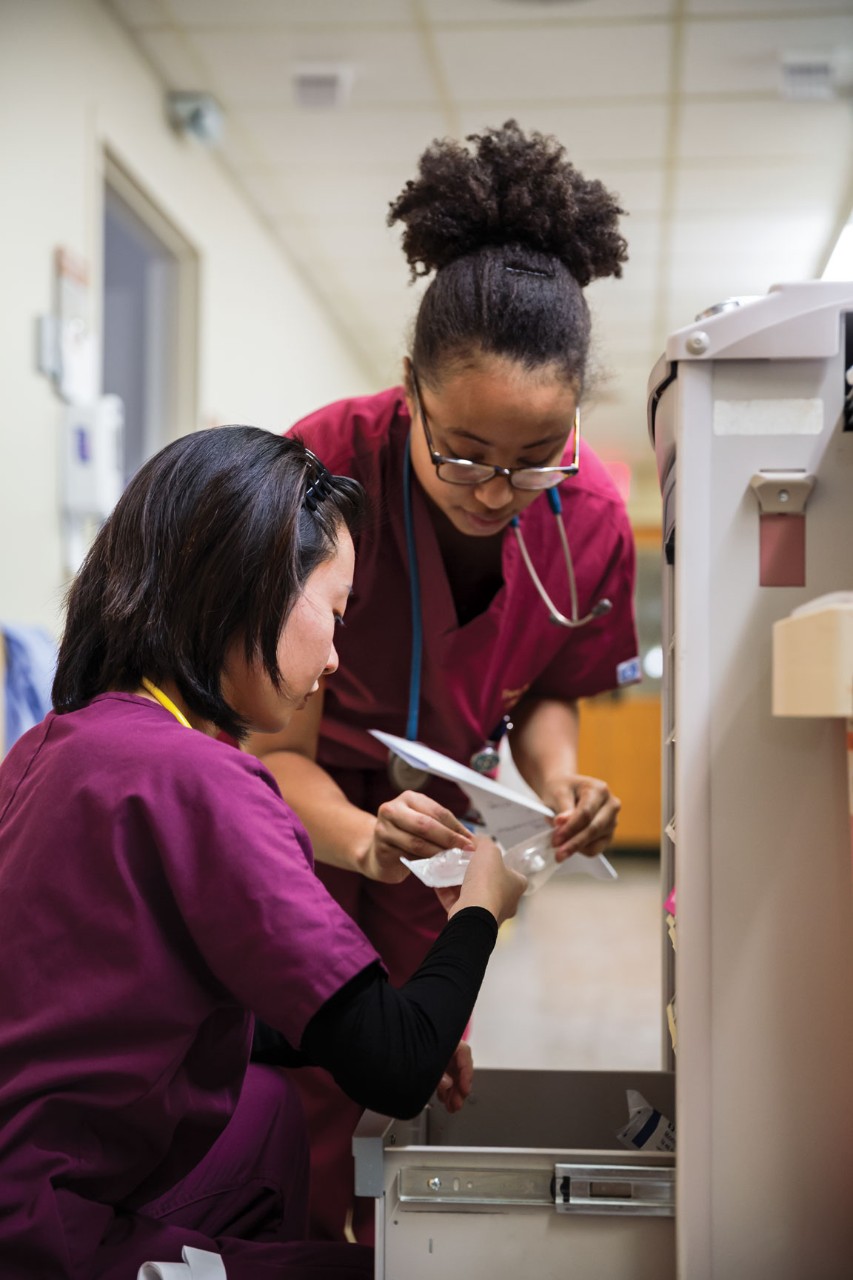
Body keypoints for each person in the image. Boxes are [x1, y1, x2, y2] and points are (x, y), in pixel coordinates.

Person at [0, 426, 526, 1280]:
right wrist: (482, 901)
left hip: (26, 1171)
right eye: (334, 611)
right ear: (250, 587)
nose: (334, 655)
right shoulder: (208, 781)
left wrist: (372, 1022)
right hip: (49, 1238)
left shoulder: (59, 742)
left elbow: (149, 1005)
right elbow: (396, 1065)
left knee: (272, 1109)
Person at [246, 120, 641, 1244]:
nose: (496, 488)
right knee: (301, 1065)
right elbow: (275, 746)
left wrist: (561, 779)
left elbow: (552, 686)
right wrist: (361, 836)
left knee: (409, 1068)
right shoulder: (323, 469)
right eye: (461, 449)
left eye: (536, 454)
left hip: (442, 812)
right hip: (301, 790)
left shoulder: (596, 515)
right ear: (408, 388)